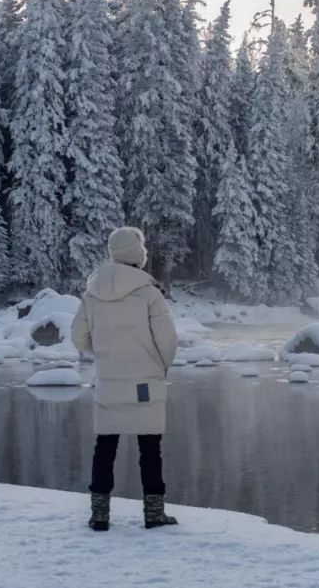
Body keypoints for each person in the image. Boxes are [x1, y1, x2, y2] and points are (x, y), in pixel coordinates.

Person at [71, 226, 179, 531]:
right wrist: (159, 366)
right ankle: (153, 513)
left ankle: (99, 515)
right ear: (137, 254)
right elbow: (168, 340)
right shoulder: (148, 293)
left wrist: (104, 355)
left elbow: (78, 337)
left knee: (105, 447)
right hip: (145, 383)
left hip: (108, 381)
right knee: (149, 448)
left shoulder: (92, 295)